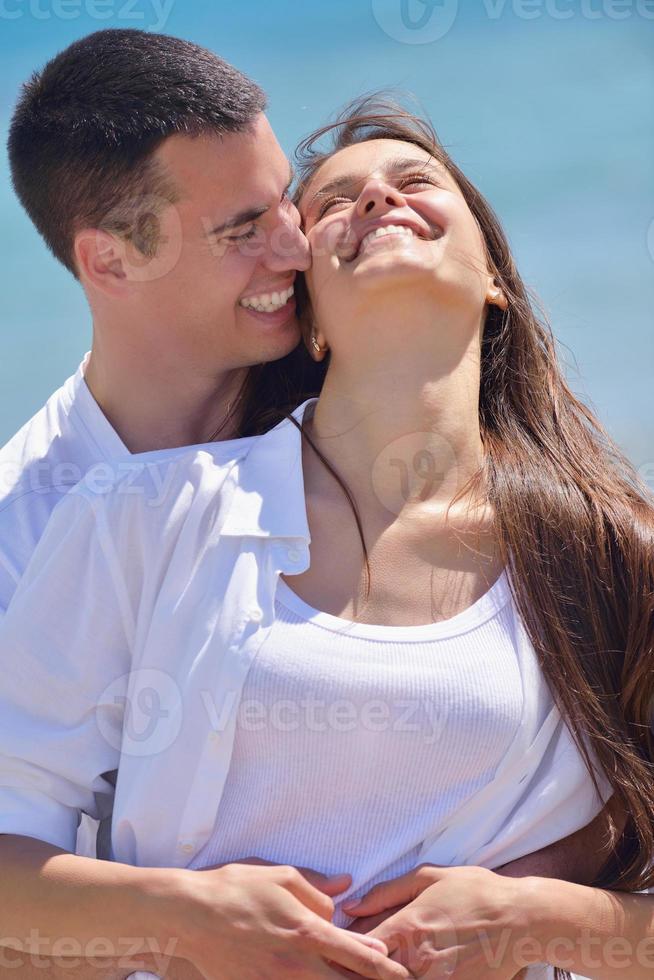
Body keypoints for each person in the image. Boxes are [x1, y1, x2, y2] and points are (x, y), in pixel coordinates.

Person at [0, 97, 651, 980]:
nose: (378, 200)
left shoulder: (611, 553)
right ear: (305, 314)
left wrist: (542, 920)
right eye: (336, 203)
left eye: (415, 182)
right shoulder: (139, 514)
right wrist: (181, 921)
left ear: (495, 273)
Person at [1, 25, 309, 885]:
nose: (296, 247)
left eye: (287, 199)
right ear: (109, 260)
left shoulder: (358, 391)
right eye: (243, 229)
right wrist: (189, 931)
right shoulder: (18, 539)